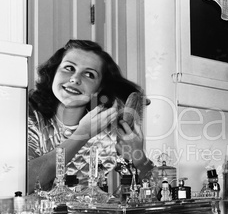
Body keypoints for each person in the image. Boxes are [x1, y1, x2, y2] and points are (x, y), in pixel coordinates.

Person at [28, 39, 153, 192]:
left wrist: (140, 160)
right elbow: (23, 182)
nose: (75, 79)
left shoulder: (110, 131)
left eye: (89, 74)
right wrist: (82, 135)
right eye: (69, 68)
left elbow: (157, 191)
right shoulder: (27, 116)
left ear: (99, 87)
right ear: (54, 72)